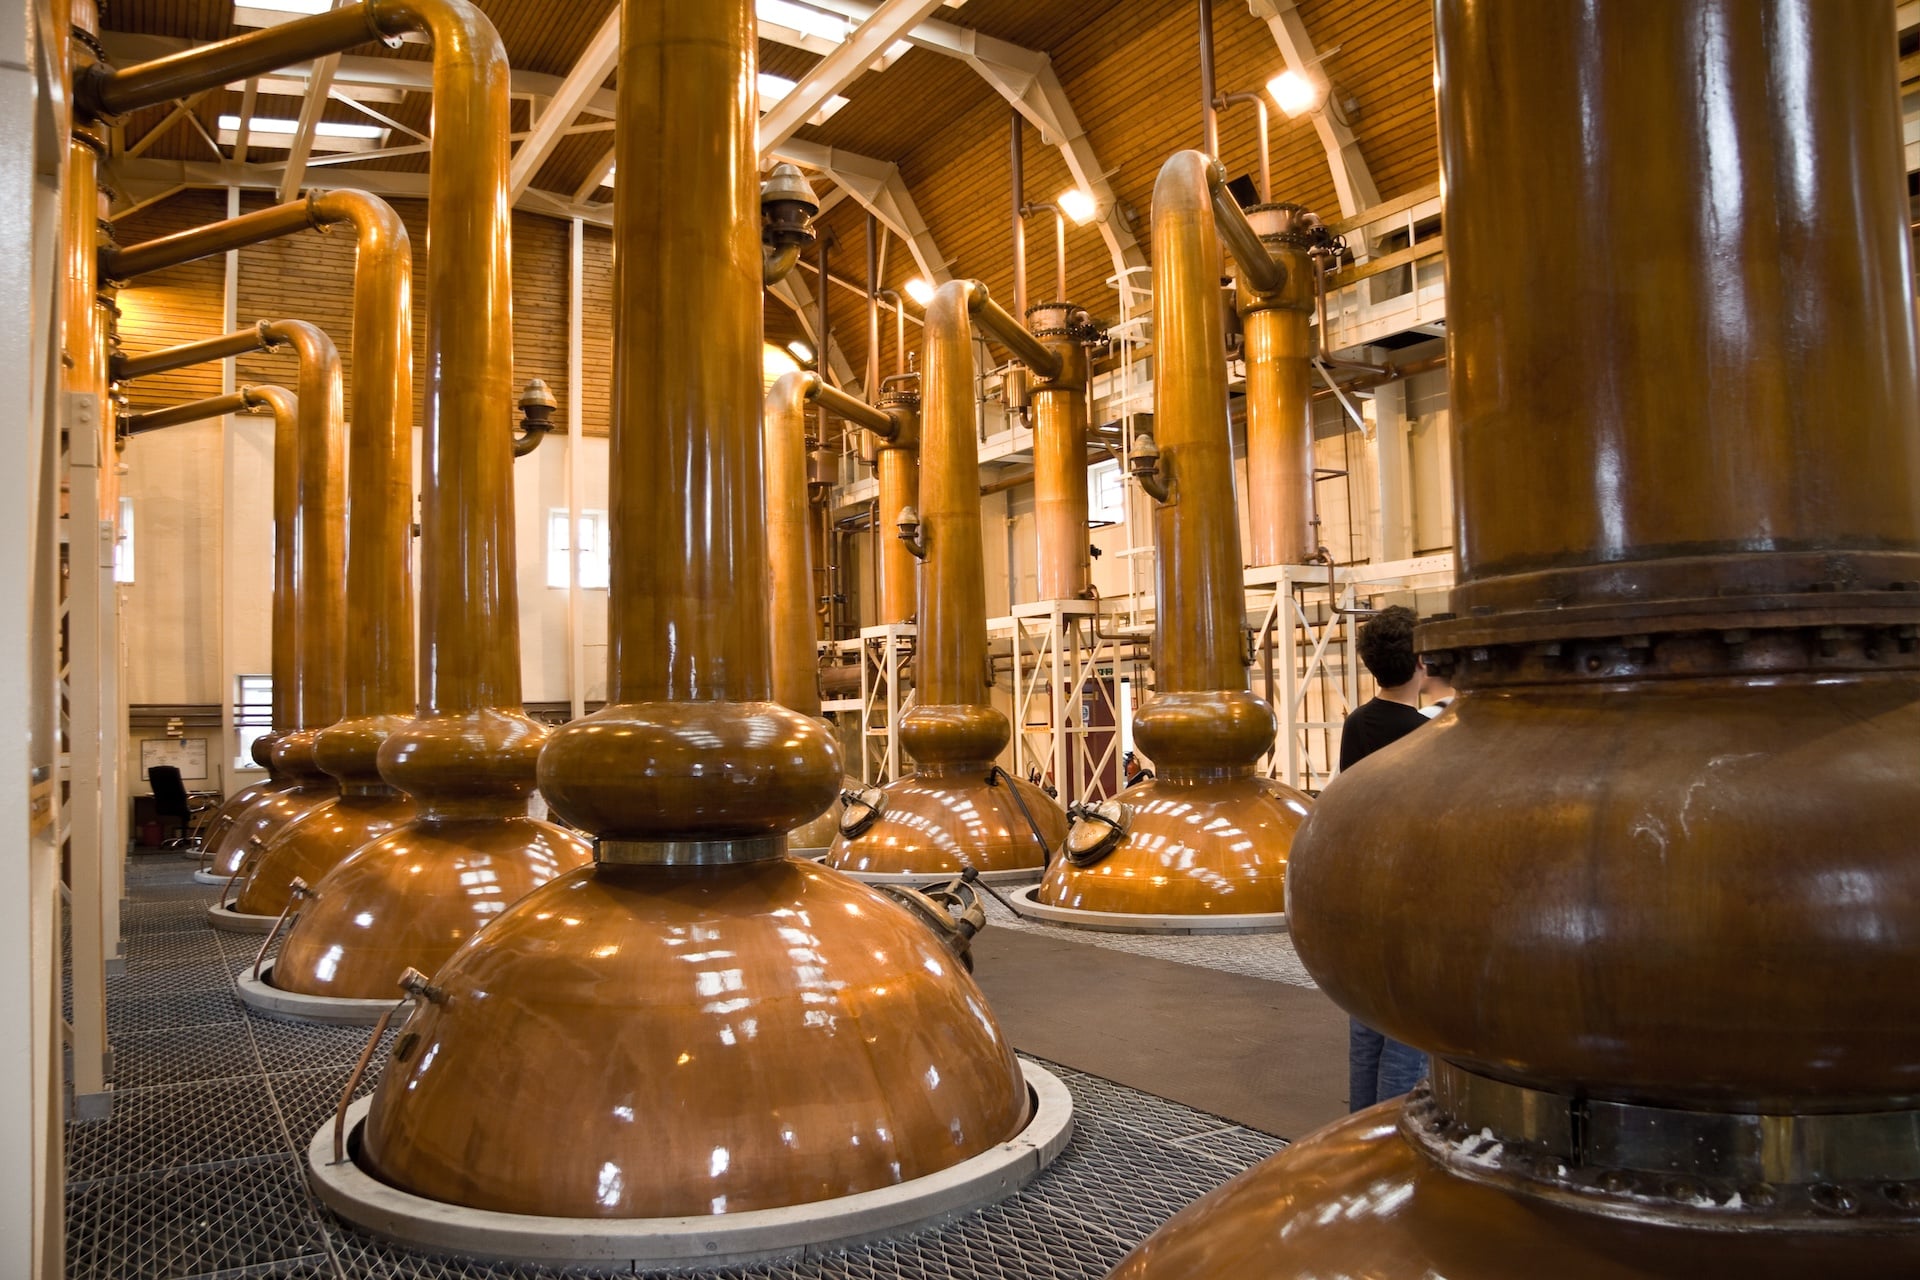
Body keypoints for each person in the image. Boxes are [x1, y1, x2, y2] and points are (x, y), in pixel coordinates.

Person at [1338, 604, 1431, 1111]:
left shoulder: (1357, 725)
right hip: (1411, 895)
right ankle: (1396, 1134)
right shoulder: (1429, 736)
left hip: (1362, 893)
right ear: (1422, 662)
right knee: (1408, 1029)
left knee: (1368, 1023)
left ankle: (1362, 1131)